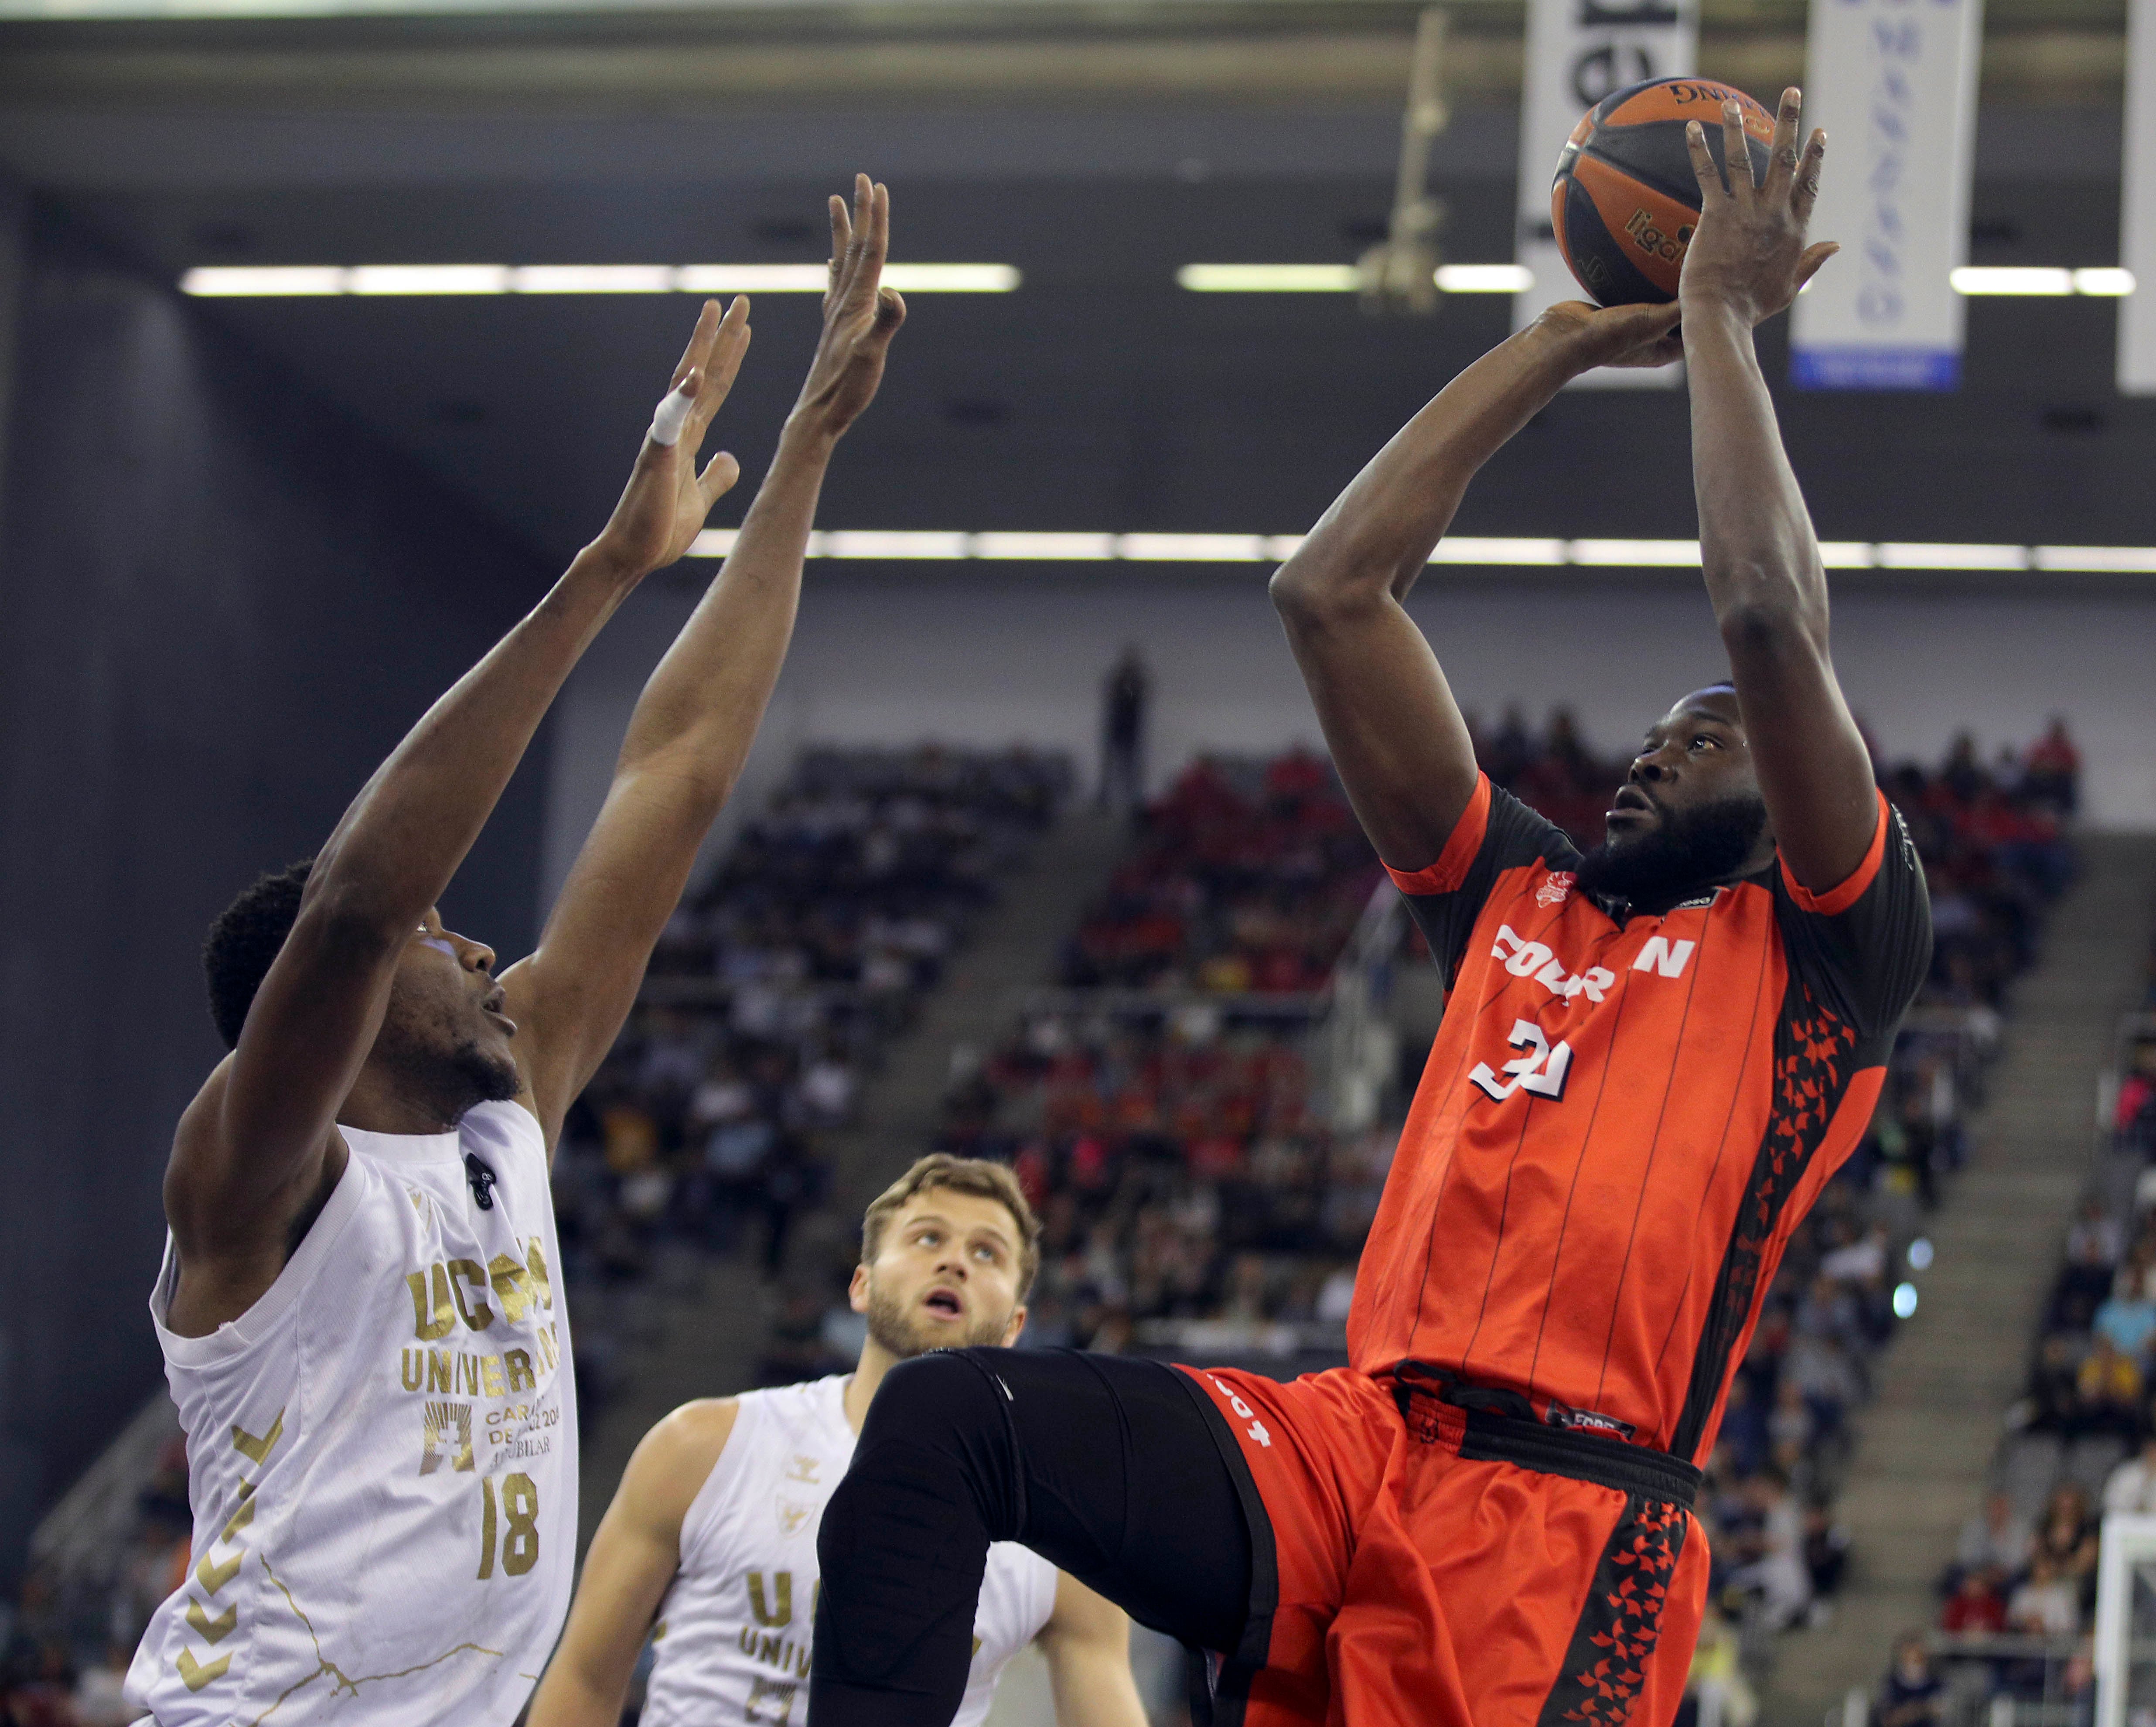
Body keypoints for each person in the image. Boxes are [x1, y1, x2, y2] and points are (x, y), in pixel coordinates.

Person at [805, 90, 1931, 1727]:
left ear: (1787, 792)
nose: (1641, 760)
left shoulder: (1829, 954)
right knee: (940, 1427)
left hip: (1569, 1521)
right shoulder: (1517, 900)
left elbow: (1765, 618)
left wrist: (1714, 324)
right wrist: (1556, 346)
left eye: (1692, 745)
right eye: (1645, 737)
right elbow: (1328, 594)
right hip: (1354, 1444)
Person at [125, 177, 907, 1726]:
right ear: (330, 1015)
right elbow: (358, 901)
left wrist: (807, 447)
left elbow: (672, 776)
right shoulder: (256, 1168)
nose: (480, 943)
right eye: (444, 935)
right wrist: (609, 567)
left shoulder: (511, 1097)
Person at [529, 1155, 1146, 1727]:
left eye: (987, 1253)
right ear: (863, 1286)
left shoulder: (1063, 1533)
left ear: (1015, 1325)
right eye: (928, 1237)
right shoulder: (703, 1445)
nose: (955, 1261)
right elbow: (584, 1680)